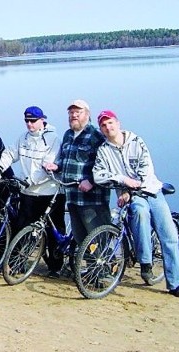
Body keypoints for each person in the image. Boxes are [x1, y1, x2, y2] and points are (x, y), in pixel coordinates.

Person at [93, 110, 179, 298]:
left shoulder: (137, 142)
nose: (108, 127)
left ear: (118, 123)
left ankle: (176, 283)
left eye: (110, 123)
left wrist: (131, 189)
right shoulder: (103, 151)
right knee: (139, 213)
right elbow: (98, 175)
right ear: (101, 129)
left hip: (152, 191)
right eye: (103, 125)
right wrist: (121, 179)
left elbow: (146, 170)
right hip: (133, 197)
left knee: (169, 236)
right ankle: (145, 263)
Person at [0, 106, 63, 278]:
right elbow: (10, 153)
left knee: (52, 230)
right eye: (27, 121)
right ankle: (17, 263)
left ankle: (55, 267)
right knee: (21, 228)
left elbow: (47, 168)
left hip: (50, 191)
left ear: (42, 120)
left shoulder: (53, 139)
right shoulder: (23, 138)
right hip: (28, 193)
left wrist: (29, 181)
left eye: (33, 121)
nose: (30, 124)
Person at [44, 99, 109, 246]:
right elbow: (66, 159)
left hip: (92, 200)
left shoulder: (96, 136)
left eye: (78, 112)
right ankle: (86, 267)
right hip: (72, 197)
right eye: (71, 112)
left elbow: (106, 166)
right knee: (81, 239)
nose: (74, 115)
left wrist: (91, 181)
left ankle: (104, 268)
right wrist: (56, 166)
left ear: (87, 114)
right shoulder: (68, 135)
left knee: (96, 240)